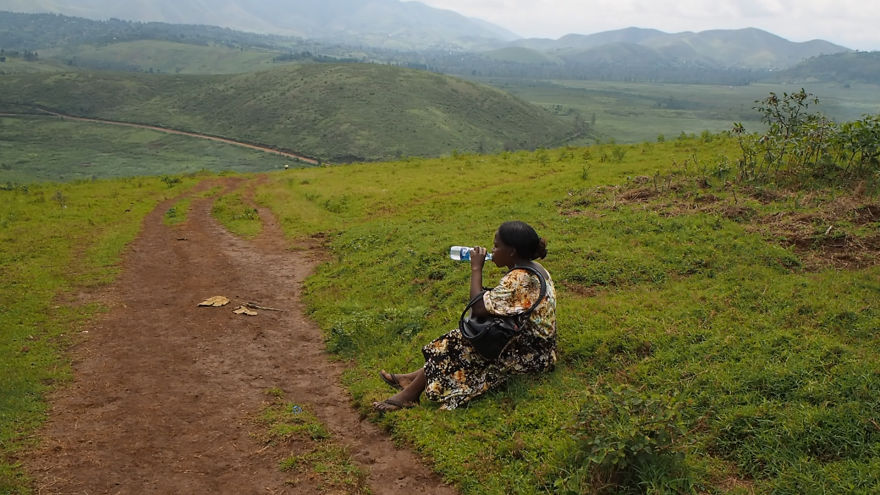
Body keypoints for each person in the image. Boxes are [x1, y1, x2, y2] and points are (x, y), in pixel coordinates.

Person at [373, 220, 557, 412]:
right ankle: (411, 382)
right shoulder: (535, 269)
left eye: (496, 245)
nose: (492, 250)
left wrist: (476, 268)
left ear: (512, 251)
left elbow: (477, 307)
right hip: (537, 347)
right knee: (463, 339)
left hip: (531, 357)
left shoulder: (520, 279)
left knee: (460, 342)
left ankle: (408, 396)